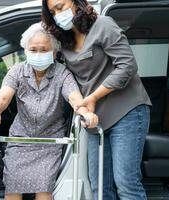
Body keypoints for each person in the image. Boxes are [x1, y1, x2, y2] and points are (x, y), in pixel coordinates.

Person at [41, 0, 152, 199]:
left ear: (76, 3)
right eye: (53, 12)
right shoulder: (63, 42)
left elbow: (127, 66)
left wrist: (92, 97)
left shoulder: (103, 25)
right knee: (99, 187)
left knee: (126, 184)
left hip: (127, 112)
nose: (58, 15)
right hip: (94, 120)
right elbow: (62, 77)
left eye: (60, 7)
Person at [0, 23, 98, 200]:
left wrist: (85, 113)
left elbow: (74, 98)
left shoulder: (62, 73)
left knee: (44, 191)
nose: (38, 54)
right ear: (26, 51)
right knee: (13, 189)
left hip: (49, 141)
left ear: (54, 52)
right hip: (20, 140)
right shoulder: (17, 71)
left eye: (44, 49)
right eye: (33, 49)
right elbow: (3, 98)